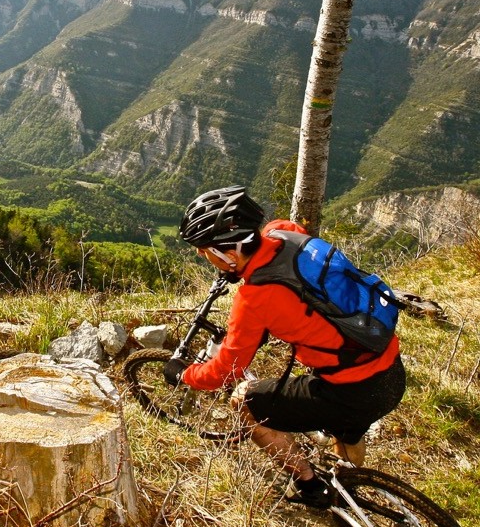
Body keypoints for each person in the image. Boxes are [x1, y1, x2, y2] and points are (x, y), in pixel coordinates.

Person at [165, 185, 406, 508]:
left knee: (242, 402)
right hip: (390, 369)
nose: (200, 255)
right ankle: (348, 480)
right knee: (347, 429)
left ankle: (309, 486)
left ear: (230, 254)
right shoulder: (283, 233)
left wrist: (185, 374)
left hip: (351, 393)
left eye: (205, 250)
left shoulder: (254, 301)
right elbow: (284, 234)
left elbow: (224, 373)